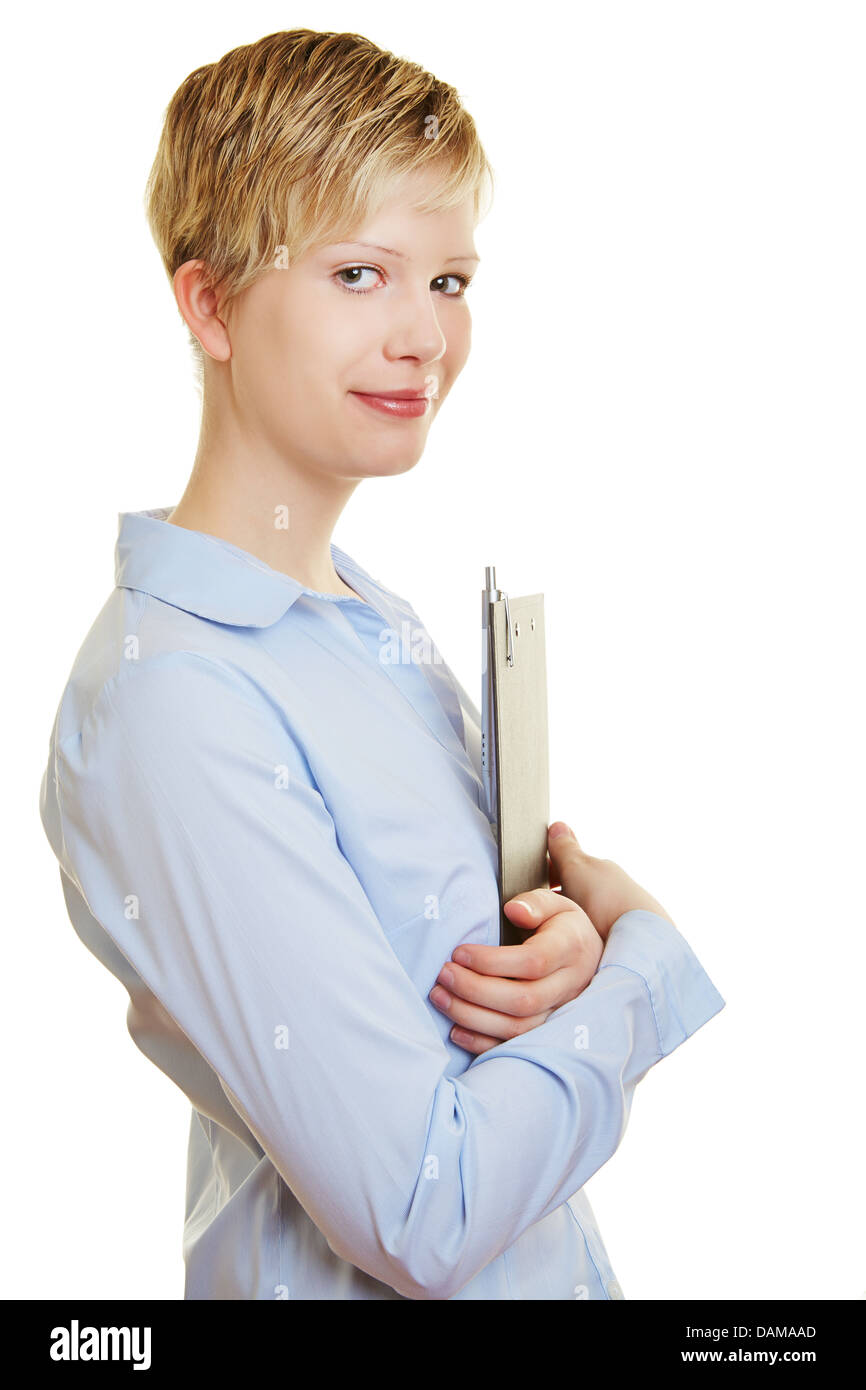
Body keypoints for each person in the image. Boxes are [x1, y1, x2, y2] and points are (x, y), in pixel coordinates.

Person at [38, 28, 725, 1300]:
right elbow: (423, 1205)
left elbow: (454, 1000)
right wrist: (640, 958)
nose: (424, 336)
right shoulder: (173, 703)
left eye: (451, 281)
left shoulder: (364, 618)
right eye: (361, 273)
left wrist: (558, 938)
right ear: (210, 303)